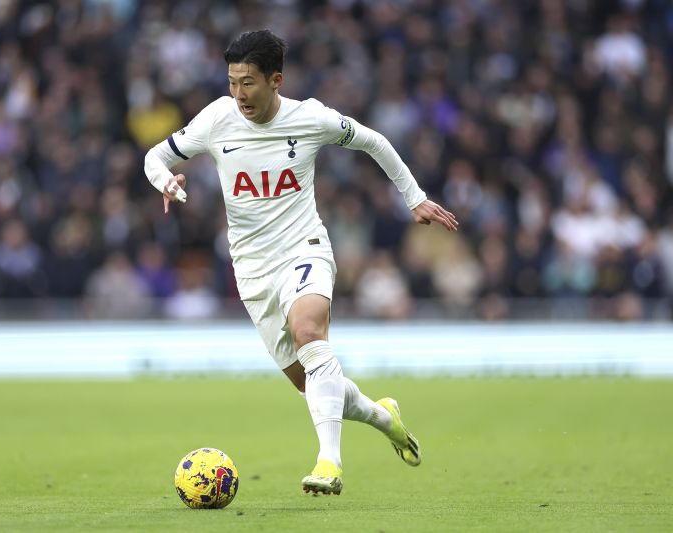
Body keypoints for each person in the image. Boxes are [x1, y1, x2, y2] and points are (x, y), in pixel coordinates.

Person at [144, 29, 458, 495]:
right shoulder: (216, 119)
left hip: (303, 247)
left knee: (310, 332)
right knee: (311, 382)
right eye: (232, 82)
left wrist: (415, 199)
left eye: (248, 82)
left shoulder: (310, 118)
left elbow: (374, 141)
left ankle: (329, 462)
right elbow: (155, 156)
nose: (238, 94)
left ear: (275, 80)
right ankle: (382, 415)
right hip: (251, 269)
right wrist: (164, 181)